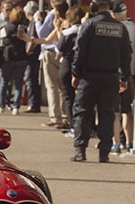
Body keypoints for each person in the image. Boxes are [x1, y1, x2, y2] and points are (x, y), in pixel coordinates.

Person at [70, 0, 131, 163]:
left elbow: (79, 50)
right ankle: (104, 152)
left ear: (94, 7)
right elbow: (126, 55)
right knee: (107, 113)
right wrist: (125, 77)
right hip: (111, 77)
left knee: (83, 112)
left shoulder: (89, 25)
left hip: (89, 77)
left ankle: (80, 150)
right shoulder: (120, 28)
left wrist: (75, 73)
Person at [111, 1, 135, 155]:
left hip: (113, 75)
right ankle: (129, 142)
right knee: (127, 111)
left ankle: (116, 143)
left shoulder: (115, 30)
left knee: (115, 112)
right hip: (130, 75)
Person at [37, 0, 68, 128]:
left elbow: (42, 34)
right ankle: (65, 116)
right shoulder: (68, 19)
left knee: (52, 86)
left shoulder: (53, 16)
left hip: (51, 52)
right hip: (63, 56)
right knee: (63, 88)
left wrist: (38, 21)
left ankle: (55, 117)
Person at [0, 6, 29, 115]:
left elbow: (0, 38)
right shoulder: (24, 28)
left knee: (4, 81)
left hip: (8, 57)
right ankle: (16, 107)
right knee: (18, 83)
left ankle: (1, 105)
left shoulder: (6, 27)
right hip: (22, 57)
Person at [56, 5, 85, 135]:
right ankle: (87, 126)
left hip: (67, 64)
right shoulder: (86, 30)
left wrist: (58, 30)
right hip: (85, 66)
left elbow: (59, 49)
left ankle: (73, 126)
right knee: (84, 98)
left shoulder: (67, 32)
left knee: (68, 96)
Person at [23, 1, 42, 113]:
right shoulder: (32, 23)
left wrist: (27, 51)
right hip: (35, 55)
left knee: (30, 79)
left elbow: (33, 39)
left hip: (32, 55)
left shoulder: (33, 23)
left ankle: (33, 104)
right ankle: (35, 103)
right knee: (33, 80)